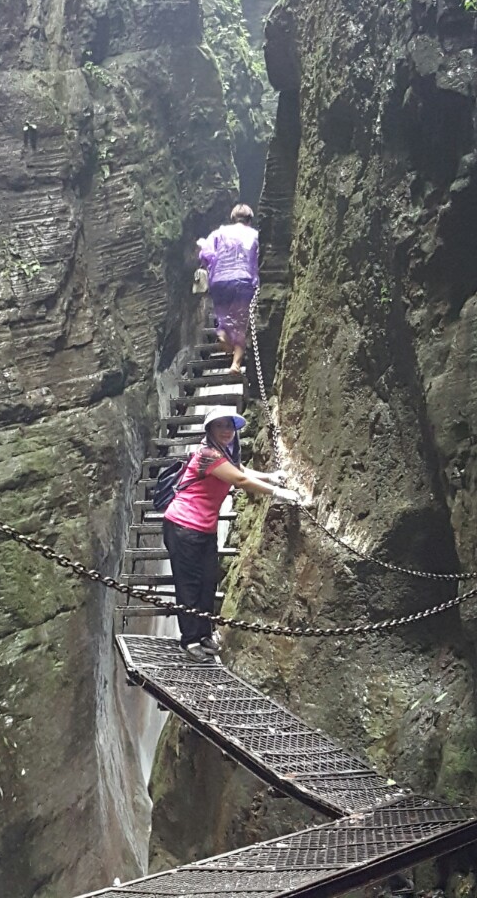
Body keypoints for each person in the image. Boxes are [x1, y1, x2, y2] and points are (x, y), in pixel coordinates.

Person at [163, 406, 299, 663]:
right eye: (220, 426)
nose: (226, 431)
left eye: (229, 426)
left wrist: (271, 477)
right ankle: (190, 641)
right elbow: (240, 481)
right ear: (210, 429)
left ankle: (204, 635)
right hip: (183, 526)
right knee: (189, 586)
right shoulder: (206, 455)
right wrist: (278, 493)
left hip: (204, 529)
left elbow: (239, 470)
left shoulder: (223, 453)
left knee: (206, 583)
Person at [197, 204, 259, 373]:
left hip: (220, 281)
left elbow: (205, 253)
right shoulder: (254, 235)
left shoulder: (219, 233)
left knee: (225, 316)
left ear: (232, 218)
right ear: (250, 220)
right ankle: (235, 364)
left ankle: (223, 333)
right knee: (241, 321)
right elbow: (259, 257)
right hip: (243, 281)